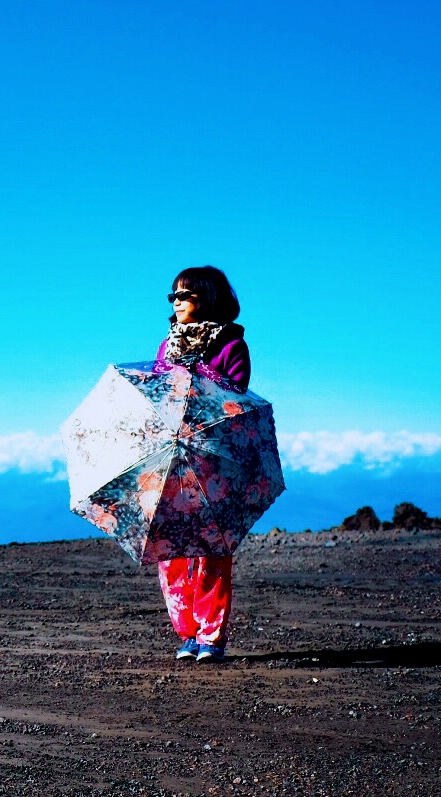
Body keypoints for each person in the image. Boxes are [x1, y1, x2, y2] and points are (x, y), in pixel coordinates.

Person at [153, 265, 250, 663]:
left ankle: (212, 635)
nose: (176, 303)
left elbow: (236, 397)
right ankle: (188, 632)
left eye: (184, 296)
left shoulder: (231, 346)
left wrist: (199, 372)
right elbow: (159, 395)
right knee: (171, 550)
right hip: (170, 459)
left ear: (206, 298)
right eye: (172, 296)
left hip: (212, 459)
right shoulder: (166, 346)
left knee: (211, 549)